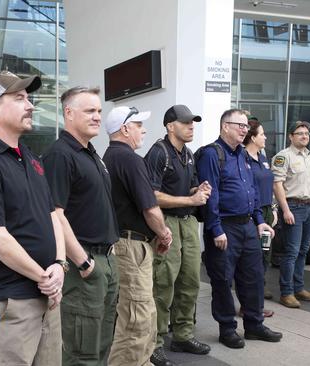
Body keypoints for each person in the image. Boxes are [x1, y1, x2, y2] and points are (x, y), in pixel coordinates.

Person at [0, 70, 65, 365]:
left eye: (28, 98)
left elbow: (51, 215)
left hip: (46, 296)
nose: (30, 105)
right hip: (10, 303)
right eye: (19, 98)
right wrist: (45, 277)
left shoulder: (30, 157)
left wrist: (59, 265)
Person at [42, 86, 120, 366]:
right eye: (90, 111)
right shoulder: (60, 155)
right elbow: (55, 215)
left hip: (106, 260)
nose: (97, 116)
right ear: (68, 113)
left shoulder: (91, 154)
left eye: (99, 111)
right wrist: (84, 263)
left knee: (101, 346)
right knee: (81, 352)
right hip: (83, 265)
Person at [196, 109, 282, 350]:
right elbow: (210, 194)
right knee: (223, 280)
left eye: (247, 126)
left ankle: (254, 325)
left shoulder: (243, 155)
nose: (245, 130)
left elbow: (252, 191)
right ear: (225, 126)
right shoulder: (212, 154)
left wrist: (259, 220)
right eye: (240, 125)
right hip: (225, 227)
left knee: (253, 278)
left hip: (247, 225)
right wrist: (215, 229)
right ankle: (227, 329)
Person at [102, 105, 173, 366]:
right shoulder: (130, 159)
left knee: (137, 313)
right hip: (131, 246)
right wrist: (164, 233)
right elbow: (150, 207)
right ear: (124, 129)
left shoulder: (108, 157)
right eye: (138, 125)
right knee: (136, 317)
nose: (143, 129)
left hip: (123, 244)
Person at [144, 105, 212, 366]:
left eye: (192, 122)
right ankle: (156, 341)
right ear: (170, 126)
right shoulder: (158, 153)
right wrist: (189, 197)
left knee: (190, 281)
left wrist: (199, 189)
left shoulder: (189, 155)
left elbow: (191, 185)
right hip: (167, 222)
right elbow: (152, 195)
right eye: (185, 122)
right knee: (163, 284)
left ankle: (183, 334)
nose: (191, 126)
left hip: (189, 222)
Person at [271, 121, 310, 309]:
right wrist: (286, 210)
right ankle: (287, 292)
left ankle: (299, 288)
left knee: (303, 251)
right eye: (299, 133)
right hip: (293, 208)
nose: (304, 136)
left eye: (306, 133)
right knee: (291, 252)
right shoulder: (283, 157)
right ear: (291, 136)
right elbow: (277, 185)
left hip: (309, 208)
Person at [242, 116, 277, 316]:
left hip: (266, 212)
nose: (265, 137)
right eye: (262, 134)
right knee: (251, 260)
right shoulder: (243, 158)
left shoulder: (262, 158)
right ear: (253, 137)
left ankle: (257, 300)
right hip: (253, 215)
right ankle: (249, 305)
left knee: (264, 256)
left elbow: (268, 186)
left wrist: (273, 209)